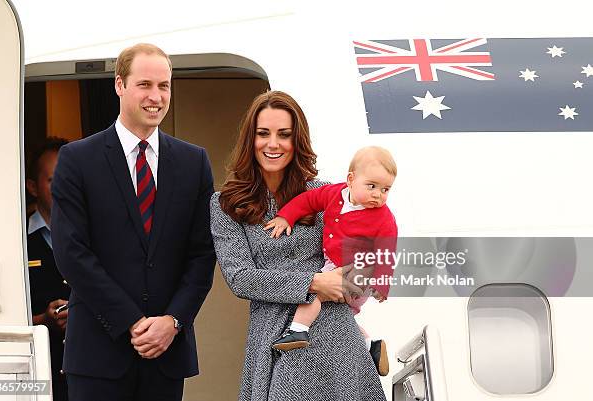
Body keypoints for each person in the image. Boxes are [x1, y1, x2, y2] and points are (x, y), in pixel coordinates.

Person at [51, 43, 216, 401]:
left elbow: (203, 255)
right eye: (145, 85)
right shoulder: (78, 159)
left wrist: (172, 322)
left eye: (164, 86)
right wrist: (132, 322)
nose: (156, 96)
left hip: (166, 355)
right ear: (119, 85)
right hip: (98, 355)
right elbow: (70, 253)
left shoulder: (193, 163)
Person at [210, 90, 387, 401]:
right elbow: (240, 277)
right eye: (263, 134)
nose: (273, 144)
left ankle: (368, 344)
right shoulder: (226, 204)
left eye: (284, 135)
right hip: (275, 336)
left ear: (297, 141)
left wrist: (356, 279)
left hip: (336, 333)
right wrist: (313, 282)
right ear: (250, 139)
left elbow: (367, 242)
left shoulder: (326, 194)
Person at [264, 146, 398, 376]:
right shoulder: (334, 194)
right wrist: (286, 216)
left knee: (315, 289)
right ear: (351, 180)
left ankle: (298, 329)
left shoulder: (383, 218)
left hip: (360, 271)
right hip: (335, 265)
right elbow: (308, 200)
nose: (378, 194)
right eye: (372, 186)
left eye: (385, 189)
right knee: (341, 315)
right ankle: (370, 346)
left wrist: (382, 284)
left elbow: (387, 250)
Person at [26, 136, 70, 401]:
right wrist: (44, 320)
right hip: (33, 375)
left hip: (88, 374)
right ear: (32, 187)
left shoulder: (98, 237)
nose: (64, 189)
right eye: (54, 181)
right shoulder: (15, 241)